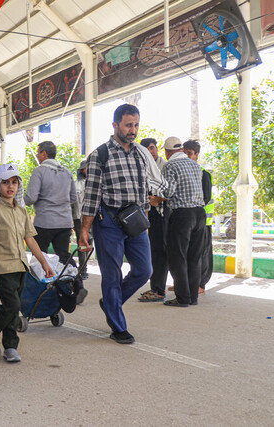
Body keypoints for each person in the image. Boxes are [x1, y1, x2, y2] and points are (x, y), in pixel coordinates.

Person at [78, 104, 166, 344]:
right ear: (115, 125)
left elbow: (143, 188)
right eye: (128, 125)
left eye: (136, 125)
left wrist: (145, 215)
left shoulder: (140, 153)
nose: (133, 130)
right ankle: (118, 326)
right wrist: (84, 230)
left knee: (144, 270)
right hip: (108, 223)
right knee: (112, 275)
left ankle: (110, 302)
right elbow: (92, 195)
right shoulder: (100, 155)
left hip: (135, 220)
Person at [0, 164, 55, 363]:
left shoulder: (21, 211)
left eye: (14, 182)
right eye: (5, 183)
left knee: (14, 306)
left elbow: (30, 239)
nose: (10, 187)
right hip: (2, 265)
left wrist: (44, 263)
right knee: (12, 305)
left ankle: (11, 347)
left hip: (21, 265)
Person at [157, 137, 206, 307]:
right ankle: (193, 297)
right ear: (182, 149)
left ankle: (182, 298)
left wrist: (155, 197)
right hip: (200, 214)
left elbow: (169, 192)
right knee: (194, 257)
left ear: (167, 152)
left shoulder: (170, 166)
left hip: (182, 215)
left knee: (177, 257)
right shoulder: (196, 165)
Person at [24, 141, 77, 265]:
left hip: (44, 222)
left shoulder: (39, 171)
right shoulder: (67, 172)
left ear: (44, 153)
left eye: (38, 153)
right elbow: (73, 198)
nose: (37, 156)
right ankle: (73, 281)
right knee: (64, 256)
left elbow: (31, 198)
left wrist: (19, 203)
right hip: (64, 223)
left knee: (39, 255)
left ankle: (41, 284)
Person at [137, 138, 169, 302]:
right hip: (149, 214)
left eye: (152, 148)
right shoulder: (143, 167)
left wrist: (158, 199)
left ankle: (159, 290)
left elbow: (173, 191)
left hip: (162, 215)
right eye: (147, 149)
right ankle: (155, 287)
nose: (151, 152)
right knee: (153, 252)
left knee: (159, 252)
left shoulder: (165, 167)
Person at [183, 139, 213, 294]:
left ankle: (200, 284)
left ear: (196, 155)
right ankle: (187, 282)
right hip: (191, 221)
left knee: (202, 253)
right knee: (189, 253)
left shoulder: (203, 174)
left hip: (203, 221)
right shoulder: (185, 172)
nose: (187, 156)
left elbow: (206, 197)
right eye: (185, 153)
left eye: (190, 153)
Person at [72, 159, 92, 282]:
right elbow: (72, 203)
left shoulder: (94, 183)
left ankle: (84, 267)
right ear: (81, 170)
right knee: (82, 243)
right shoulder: (75, 185)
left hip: (93, 217)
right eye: (86, 168)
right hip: (79, 218)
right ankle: (82, 270)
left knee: (90, 242)